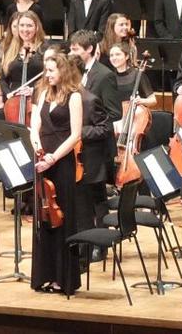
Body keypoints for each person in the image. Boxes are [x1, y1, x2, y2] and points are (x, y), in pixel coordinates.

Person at [29, 52, 83, 294]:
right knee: (43, 216)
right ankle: (45, 275)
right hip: (42, 159)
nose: (47, 74)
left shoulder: (74, 97)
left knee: (62, 216)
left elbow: (75, 135)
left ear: (63, 71)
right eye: (46, 69)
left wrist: (52, 157)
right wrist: (37, 147)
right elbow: (34, 126)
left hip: (61, 162)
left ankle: (63, 277)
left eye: (51, 70)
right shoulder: (42, 94)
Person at [68, 34, 117, 262]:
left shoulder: (104, 75)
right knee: (83, 203)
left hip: (96, 152)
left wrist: (79, 132)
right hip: (77, 155)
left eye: (76, 48)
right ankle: (85, 242)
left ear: (89, 49)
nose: (72, 51)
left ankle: (101, 244)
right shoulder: (71, 89)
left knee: (97, 200)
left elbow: (112, 116)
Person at [0, 11, 45, 114]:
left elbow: (48, 78)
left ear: (37, 28)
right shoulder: (9, 49)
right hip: (13, 101)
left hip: (36, 99)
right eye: (22, 25)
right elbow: (2, 79)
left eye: (29, 26)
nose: (25, 29)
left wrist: (34, 90)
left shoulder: (45, 49)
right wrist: (9, 94)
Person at [108, 42, 157, 108]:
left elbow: (153, 100)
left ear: (127, 56)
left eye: (118, 54)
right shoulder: (110, 77)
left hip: (135, 115)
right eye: (111, 55)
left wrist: (141, 101)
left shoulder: (138, 74)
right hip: (117, 117)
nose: (114, 58)